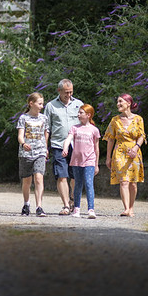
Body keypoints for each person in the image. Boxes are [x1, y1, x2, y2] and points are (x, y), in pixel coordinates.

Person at [44, 78, 83, 215]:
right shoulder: (51, 106)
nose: (69, 95)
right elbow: (47, 128)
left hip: (76, 145)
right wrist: (45, 147)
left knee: (75, 176)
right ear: (59, 91)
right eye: (66, 92)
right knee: (61, 175)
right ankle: (66, 205)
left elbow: (85, 125)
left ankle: (73, 200)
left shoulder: (79, 104)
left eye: (71, 92)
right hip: (58, 145)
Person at [104, 93, 146, 217]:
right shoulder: (115, 120)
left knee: (133, 182)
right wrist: (108, 157)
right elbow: (110, 139)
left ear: (128, 103)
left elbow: (142, 136)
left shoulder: (138, 119)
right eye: (117, 102)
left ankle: (131, 207)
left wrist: (136, 148)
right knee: (123, 181)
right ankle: (126, 208)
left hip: (134, 152)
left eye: (120, 101)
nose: (118, 104)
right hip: (120, 152)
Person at [62, 104, 101, 219]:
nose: (78, 115)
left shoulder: (94, 130)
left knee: (89, 184)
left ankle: (91, 209)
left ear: (88, 115)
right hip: (76, 161)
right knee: (78, 184)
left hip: (89, 160)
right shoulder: (75, 128)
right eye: (78, 113)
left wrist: (96, 164)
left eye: (81, 113)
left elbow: (96, 148)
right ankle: (76, 208)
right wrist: (65, 148)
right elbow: (68, 139)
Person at [17, 92, 50, 217]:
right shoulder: (23, 118)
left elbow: (45, 134)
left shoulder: (44, 118)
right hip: (26, 153)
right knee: (27, 181)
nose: (42, 106)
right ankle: (26, 204)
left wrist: (46, 148)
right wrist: (23, 143)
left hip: (40, 151)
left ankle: (39, 207)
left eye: (42, 103)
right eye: (39, 103)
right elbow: (20, 135)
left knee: (39, 178)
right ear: (31, 104)